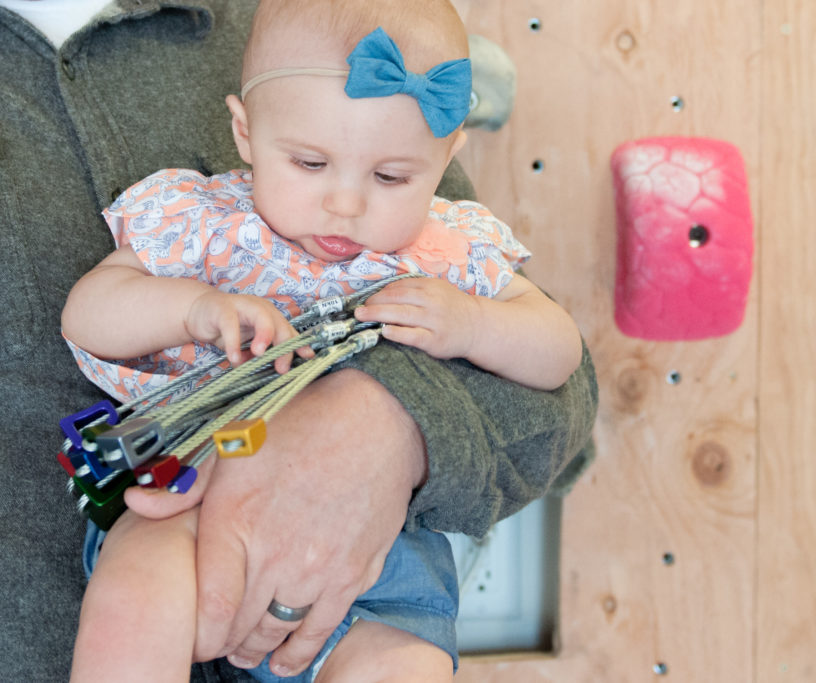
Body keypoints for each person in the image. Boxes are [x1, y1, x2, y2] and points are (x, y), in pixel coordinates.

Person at [0, 0, 597, 681]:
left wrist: (476, 323)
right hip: (187, 485)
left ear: (445, 156)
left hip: (379, 554)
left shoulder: (445, 243)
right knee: (135, 599)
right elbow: (89, 315)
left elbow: (562, 360)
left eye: (392, 177)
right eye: (310, 163)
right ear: (245, 132)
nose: (346, 202)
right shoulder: (211, 224)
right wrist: (193, 308)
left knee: (402, 662)